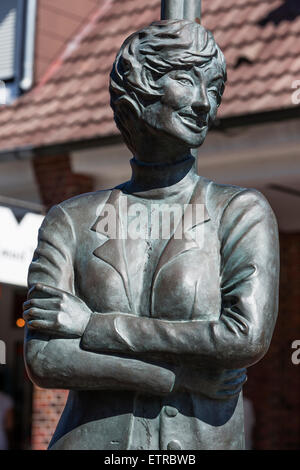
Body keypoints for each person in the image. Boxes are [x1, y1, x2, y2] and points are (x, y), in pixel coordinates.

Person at [23, 20, 279, 450]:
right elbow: (45, 359)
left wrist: (93, 326)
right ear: (139, 87)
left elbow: (243, 337)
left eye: (214, 90)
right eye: (185, 80)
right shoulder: (71, 218)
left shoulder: (239, 212)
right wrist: (174, 377)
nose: (204, 104)